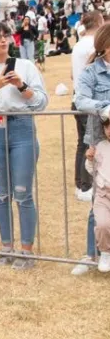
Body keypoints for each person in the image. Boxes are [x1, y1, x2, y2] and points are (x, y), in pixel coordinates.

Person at [0, 22, 49, 270]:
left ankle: (26, 250)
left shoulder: (25, 66)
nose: (3, 40)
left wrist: (21, 86)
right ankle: (6, 247)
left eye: (6, 36)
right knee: (1, 194)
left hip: (22, 128)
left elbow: (41, 102)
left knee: (23, 193)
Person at [72, 22, 110, 275]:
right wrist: (105, 107)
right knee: (99, 201)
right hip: (100, 141)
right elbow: (80, 99)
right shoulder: (91, 72)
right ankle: (92, 253)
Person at [72, 12, 105, 203]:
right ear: (99, 22)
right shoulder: (92, 44)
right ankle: (86, 185)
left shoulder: (78, 44)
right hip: (90, 101)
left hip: (79, 97)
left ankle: (81, 183)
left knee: (82, 144)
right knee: (89, 143)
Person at [86, 116, 110, 272]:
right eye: (108, 127)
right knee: (102, 224)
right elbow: (91, 170)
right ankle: (105, 253)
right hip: (103, 193)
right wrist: (89, 159)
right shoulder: (100, 146)